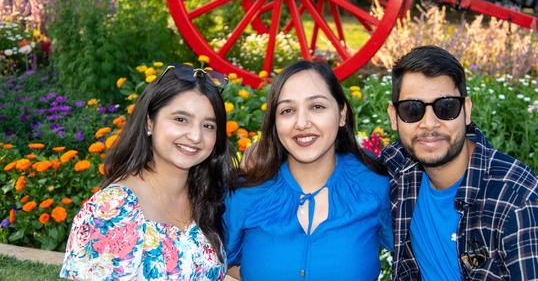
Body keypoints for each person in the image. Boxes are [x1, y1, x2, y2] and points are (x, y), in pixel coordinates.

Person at [380, 46, 538, 280]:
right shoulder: (399, 166)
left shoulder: (518, 200)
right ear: (393, 117)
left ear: (466, 110)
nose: (428, 124)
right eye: (411, 110)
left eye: (445, 107)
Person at [61, 63, 235, 280]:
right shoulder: (114, 209)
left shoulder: (207, 197)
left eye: (208, 125)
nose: (196, 136)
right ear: (149, 123)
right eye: (181, 119)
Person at [224, 60, 392, 281]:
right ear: (275, 122)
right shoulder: (245, 193)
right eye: (287, 110)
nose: (301, 123)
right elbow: (217, 266)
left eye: (317, 107)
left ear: (341, 114)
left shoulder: (375, 184)